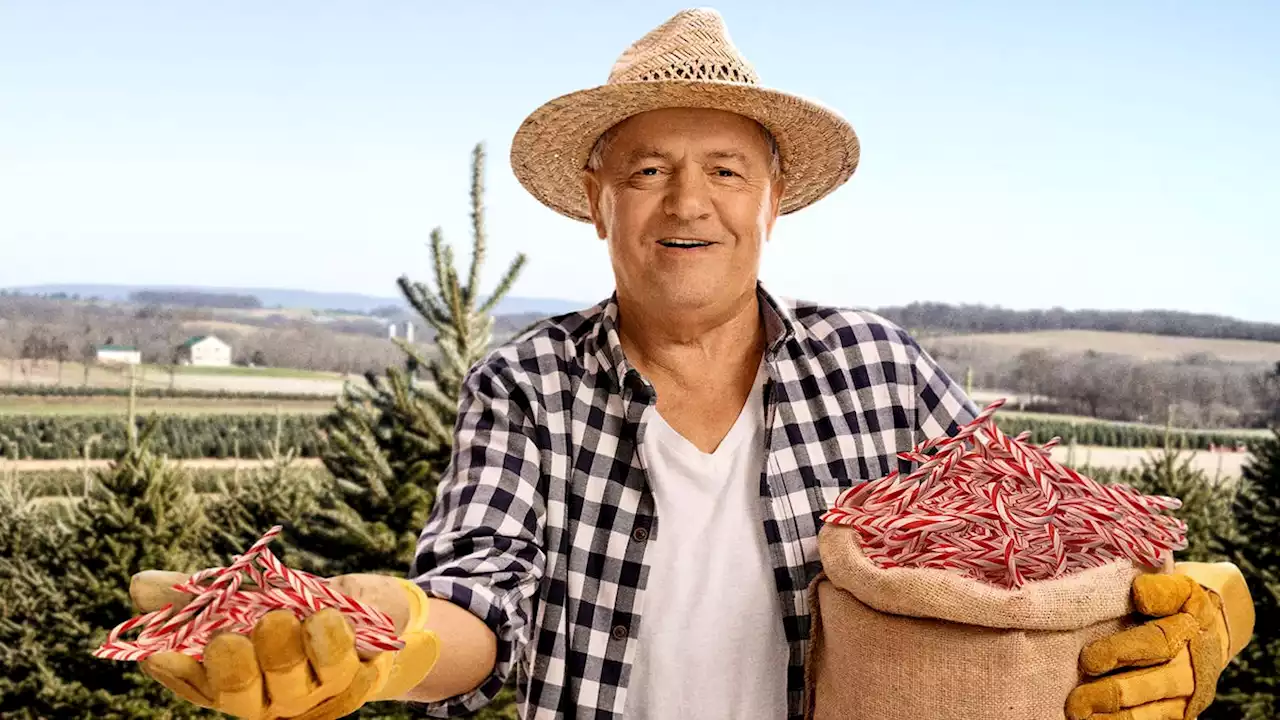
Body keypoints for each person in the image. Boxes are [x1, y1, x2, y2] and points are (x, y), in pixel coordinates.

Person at [130, 8, 1254, 720]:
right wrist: (391, 642)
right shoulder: (524, 388)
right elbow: (484, 600)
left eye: (724, 170)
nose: (687, 204)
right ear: (595, 199)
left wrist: (1168, 604)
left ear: (771, 201)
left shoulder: (879, 366)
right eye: (647, 169)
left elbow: (1044, 531)